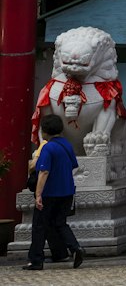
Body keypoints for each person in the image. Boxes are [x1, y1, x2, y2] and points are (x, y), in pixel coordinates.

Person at [25, 114, 83, 271]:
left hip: (50, 193)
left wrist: (38, 195)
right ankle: (75, 248)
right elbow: (73, 165)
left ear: (44, 131)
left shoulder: (48, 147)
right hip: (67, 192)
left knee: (39, 226)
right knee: (59, 223)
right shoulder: (67, 145)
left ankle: (36, 260)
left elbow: (43, 172)